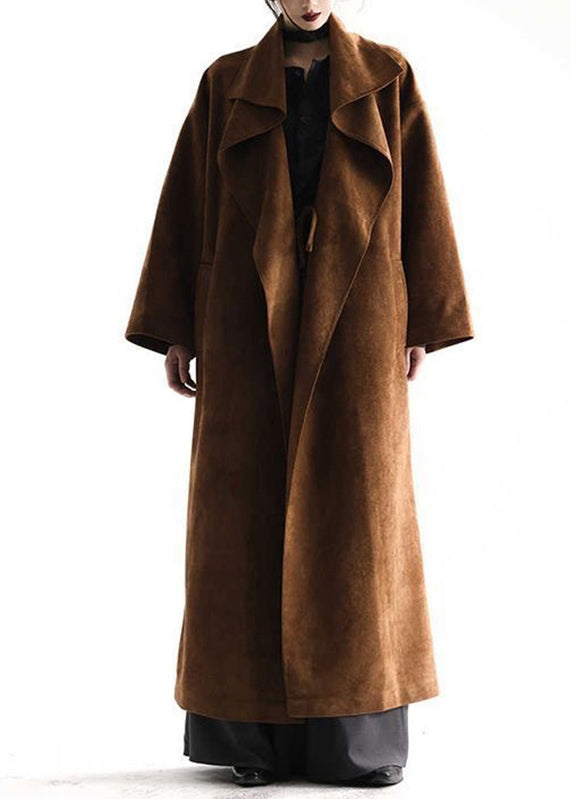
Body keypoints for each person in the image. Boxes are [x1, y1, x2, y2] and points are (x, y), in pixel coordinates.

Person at [125, 0, 474, 788]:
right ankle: (247, 738)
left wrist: (423, 315)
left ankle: (355, 742)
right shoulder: (224, 83)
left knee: (359, 518)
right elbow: (185, 204)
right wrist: (175, 325)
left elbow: (422, 196)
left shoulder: (386, 76)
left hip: (361, 315)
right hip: (241, 314)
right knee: (239, 516)